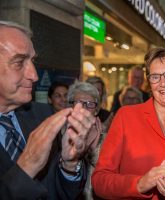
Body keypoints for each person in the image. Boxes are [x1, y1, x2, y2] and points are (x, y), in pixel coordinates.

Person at [92, 47, 165, 199]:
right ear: (149, 83)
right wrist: (139, 184)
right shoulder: (126, 117)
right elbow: (100, 181)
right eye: (155, 77)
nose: (163, 83)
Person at [0, 21, 97, 199]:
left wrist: (69, 163)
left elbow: (61, 193)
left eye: (32, 61)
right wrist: (27, 167)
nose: (34, 75)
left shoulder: (42, 115)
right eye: (19, 62)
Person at [66, 81, 102, 200]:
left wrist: (93, 150)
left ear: (96, 110)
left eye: (90, 104)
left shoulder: (108, 138)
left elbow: (110, 176)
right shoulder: (58, 137)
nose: (84, 108)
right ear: (69, 107)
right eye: (79, 103)